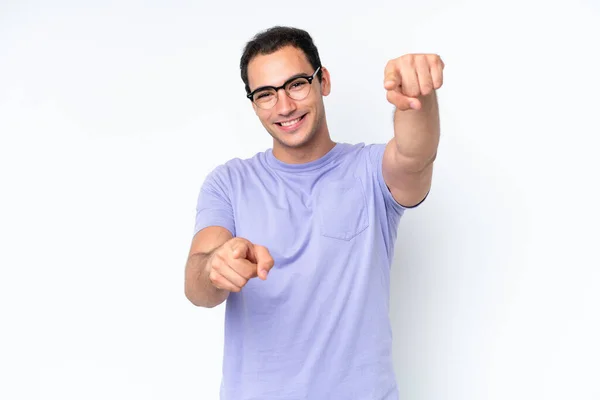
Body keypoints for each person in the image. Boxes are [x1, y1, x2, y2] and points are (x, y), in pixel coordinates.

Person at [184, 26, 443, 400]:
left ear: (323, 81)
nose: (284, 106)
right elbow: (197, 286)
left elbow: (415, 157)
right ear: (253, 103)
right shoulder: (229, 183)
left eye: (296, 85)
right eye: (266, 94)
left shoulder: (370, 170)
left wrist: (416, 100)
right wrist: (214, 267)